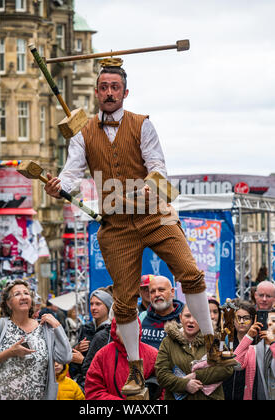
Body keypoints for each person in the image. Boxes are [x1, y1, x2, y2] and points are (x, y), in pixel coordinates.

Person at [44, 59, 216, 396]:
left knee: (191, 273)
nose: (109, 92)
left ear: (125, 92)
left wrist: (153, 184)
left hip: (155, 213)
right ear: (96, 92)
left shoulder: (142, 125)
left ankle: (212, 343)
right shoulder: (82, 134)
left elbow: (158, 166)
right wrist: (59, 187)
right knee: (123, 302)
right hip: (117, 223)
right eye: (104, 87)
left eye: (115, 87)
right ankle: (135, 370)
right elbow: (71, 175)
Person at [0, 279, 72, 400]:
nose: (23, 297)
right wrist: (9, 352)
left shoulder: (44, 328)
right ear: (9, 303)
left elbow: (66, 357)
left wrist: (57, 326)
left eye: (26, 293)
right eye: (17, 294)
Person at [155, 305, 234, 400]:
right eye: (187, 316)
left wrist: (197, 375)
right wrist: (185, 385)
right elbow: (161, 374)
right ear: (180, 317)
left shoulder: (213, 340)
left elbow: (227, 367)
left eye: (196, 317)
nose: (191, 320)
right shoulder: (168, 342)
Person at [84, 318, 160, 400]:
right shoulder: (102, 355)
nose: (128, 332)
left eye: (132, 327)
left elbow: (165, 389)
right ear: (115, 330)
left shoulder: (152, 354)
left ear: (139, 329)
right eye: (123, 328)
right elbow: (93, 392)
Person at [69, 288, 113, 381]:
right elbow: (73, 356)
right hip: (82, 381)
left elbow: (108, 364)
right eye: (91, 304)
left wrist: (82, 361)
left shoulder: (112, 331)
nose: (93, 308)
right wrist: (77, 348)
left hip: (102, 382)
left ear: (108, 306)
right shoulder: (85, 328)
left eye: (98, 304)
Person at [234, 310, 275, 400]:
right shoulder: (253, 349)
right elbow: (235, 365)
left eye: (274, 320)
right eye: (267, 320)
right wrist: (249, 336)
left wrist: (273, 343)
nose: (270, 323)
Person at [222, 300, 256, 400]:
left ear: (253, 320)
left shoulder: (258, 342)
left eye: (246, 318)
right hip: (226, 392)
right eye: (238, 317)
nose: (241, 322)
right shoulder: (225, 340)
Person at [141, 275, 183, 349]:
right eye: (152, 291)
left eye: (161, 290)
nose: (157, 294)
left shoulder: (186, 318)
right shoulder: (141, 318)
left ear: (172, 292)